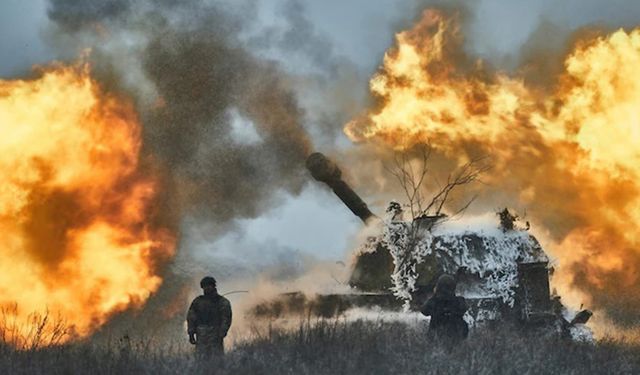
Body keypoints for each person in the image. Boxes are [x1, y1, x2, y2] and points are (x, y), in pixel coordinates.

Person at [186, 276, 232, 358]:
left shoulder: (221, 302)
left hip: (216, 334)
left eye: (208, 286)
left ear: (213, 286)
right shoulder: (198, 301)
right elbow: (191, 318)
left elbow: (226, 318)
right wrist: (191, 333)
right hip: (201, 335)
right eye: (204, 287)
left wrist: (222, 332)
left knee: (217, 359)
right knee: (201, 359)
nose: (206, 288)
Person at [420, 274, 468, 342]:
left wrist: (435, 295)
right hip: (456, 336)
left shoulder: (434, 301)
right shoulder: (459, 301)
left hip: (437, 336)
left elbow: (424, 311)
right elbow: (464, 308)